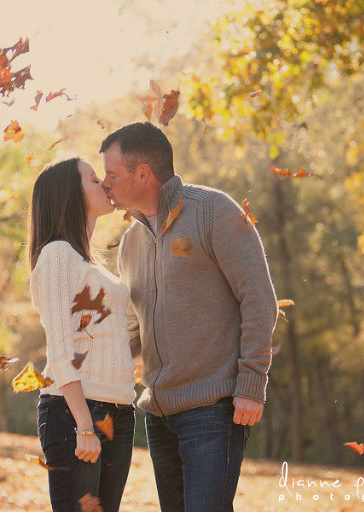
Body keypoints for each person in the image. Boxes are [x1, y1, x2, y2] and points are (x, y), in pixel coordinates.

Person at [99, 122, 278, 512]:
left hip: (212, 409)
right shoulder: (130, 243)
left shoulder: (214, 211)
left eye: (112, 174)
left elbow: (259, 298)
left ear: (142, 173)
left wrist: (252, 383)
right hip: (158, 414)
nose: (104, 183)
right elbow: (134, 329)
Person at [28, 157, 137, 512]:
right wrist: (85, 425)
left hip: (118, 411)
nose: (104, 183)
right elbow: (60, 350)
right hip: (76, 411)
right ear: (70, 195)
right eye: (93, 179)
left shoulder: (89, 263)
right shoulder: (57, 254)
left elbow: (111, 337)